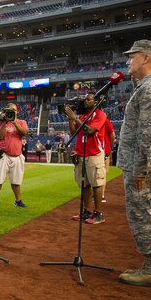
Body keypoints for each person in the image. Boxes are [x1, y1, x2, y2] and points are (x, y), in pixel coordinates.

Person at [117, 39, 151, 288]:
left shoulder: (150, 89)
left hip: (144, 166)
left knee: (146, 214)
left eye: (132, 56)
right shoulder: (146, 86)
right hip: (145, 163)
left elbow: (148, 133)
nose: (128, 61)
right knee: (144, 212)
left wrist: (140, 168)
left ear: (146, 58)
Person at [64, 93, 106, 224]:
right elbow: (73, 132)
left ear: (96, 101)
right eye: (85, 100)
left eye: (89, 99)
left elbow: (90, 130)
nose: (86, 101)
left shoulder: (99, 114)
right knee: (84, 185)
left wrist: (74, 118)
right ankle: (87, 212)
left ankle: (98, 213)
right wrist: (71, 119)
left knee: (96, 184)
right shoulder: (83, 116)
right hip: (81, 153)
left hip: (94, 153)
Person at [0, 103, 28, 208]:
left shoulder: (21, 122)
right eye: (10, 110)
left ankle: (18, 200)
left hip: (16, 155)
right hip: (3, 154)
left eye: (14, 110)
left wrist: (14, 122)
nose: (12, 112)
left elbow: (24, 133)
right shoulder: (1, 123)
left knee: (16, 181)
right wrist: (4, 122)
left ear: (17, 111)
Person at [100, 116, 116, 202]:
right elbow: (112, 135)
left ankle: (101, 194)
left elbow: (112, 135)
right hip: (98, 150)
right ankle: (99, 195)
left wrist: (108, 145)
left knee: (102, 174)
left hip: (104, 150)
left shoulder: (104, 120)